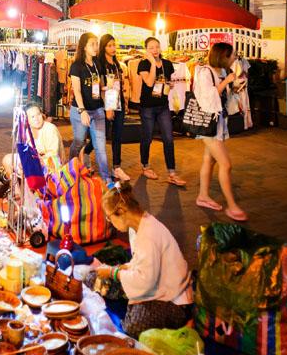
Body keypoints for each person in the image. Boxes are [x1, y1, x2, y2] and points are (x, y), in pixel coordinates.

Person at [97, 183, 193, 339]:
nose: (110, 222)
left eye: (109, 217)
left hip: (175, 301)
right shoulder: (137, 226)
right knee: (97, 279)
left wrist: (114, 272)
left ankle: (184, 321)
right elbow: (140, 263)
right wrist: (121, 269)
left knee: (132, 326)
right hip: (151, 283)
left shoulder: (149, 234)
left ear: (121, 211)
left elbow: (145, 280)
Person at [194, 42, 248, 221]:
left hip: (219, 123)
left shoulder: (223, 72)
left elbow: (222, 95)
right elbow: (207, 98)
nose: (234, 58)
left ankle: (203, 196)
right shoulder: (204, 72)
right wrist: (226, 81)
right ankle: (232, 206)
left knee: (209, 161)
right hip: (208, 125)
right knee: (226, 164)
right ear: (223, 56)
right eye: (232, 55)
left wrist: (234, 87)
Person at [138, 37, 186, 186]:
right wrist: (152, 63)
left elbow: (165, 80)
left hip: (163, 106)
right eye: (151, 47)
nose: (155, 50)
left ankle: (172, 173)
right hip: (147, 107)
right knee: (147, 138)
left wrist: (169, 84)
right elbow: (150, 82)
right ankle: (145, 166)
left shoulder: (167, 64)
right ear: (146, 49)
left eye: (157, 47)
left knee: (168, 138)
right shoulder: (143, 64)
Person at [69, 32, 111, 186]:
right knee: (79, 142)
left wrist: (107, 89)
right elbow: (77, 91)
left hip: (98, 109)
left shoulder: (97, 64)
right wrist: (82, 111)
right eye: (92, 44)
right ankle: (70, 170)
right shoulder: (76, 66)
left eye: (97, 43)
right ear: (84, 46)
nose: (96, 47)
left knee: (100, 146)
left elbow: (99, 87)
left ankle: (107, 179)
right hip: (80, 111)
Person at [98, 34, 131, 183]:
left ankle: (117, 167)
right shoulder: (100, 64)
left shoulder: (118, 64)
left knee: (118, 136)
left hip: (118, 103)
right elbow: (101, 88)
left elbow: (121, 85)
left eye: (114, 45)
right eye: (109, 45)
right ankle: (84, 153)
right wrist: (107, 107)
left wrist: (125, 101)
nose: (113, 48)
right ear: (103, 47)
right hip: (107, 104)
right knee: (100, 136)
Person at [2, 103, 63, 176]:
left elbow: (54, 154)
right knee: (7, 159)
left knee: (28, 168)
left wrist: (33, 161)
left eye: (38, 114)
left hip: (52, 163)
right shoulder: (28, 131)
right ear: (27, 120)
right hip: (36, 161)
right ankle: (16, 187)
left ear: (42, 115)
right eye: (32, 117)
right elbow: (27, 151)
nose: (36, 119)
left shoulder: (50, 128)